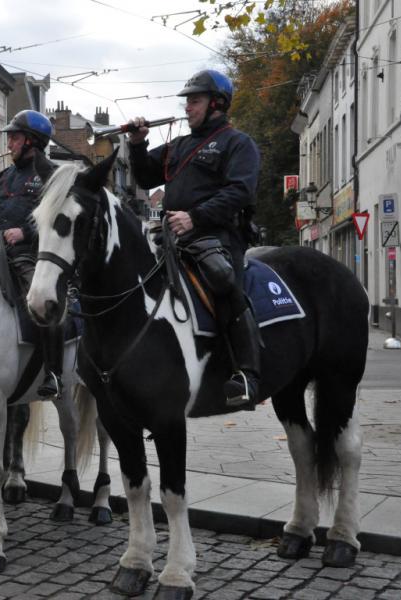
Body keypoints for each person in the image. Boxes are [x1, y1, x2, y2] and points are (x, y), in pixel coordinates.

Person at [126, 69, 262, 410]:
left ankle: (246, 374)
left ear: (217, 104)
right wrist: (138, 144)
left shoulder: (238, 143)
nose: (188, 107)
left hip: (217, 234)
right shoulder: (179, 146)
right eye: (187, 101)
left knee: (223, 279)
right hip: (172, 237)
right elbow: (145, 175)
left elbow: (240, 191)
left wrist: (195, 217)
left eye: (195, 101)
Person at [0, 109, 63, 398]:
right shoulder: (3, 176)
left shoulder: (52, 176)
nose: (8, 144)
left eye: (14, 138)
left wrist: (26, 232)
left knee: (45, 304)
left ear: (31, 141)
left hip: (30, 255)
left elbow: (58, 221)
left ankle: (54, 374)